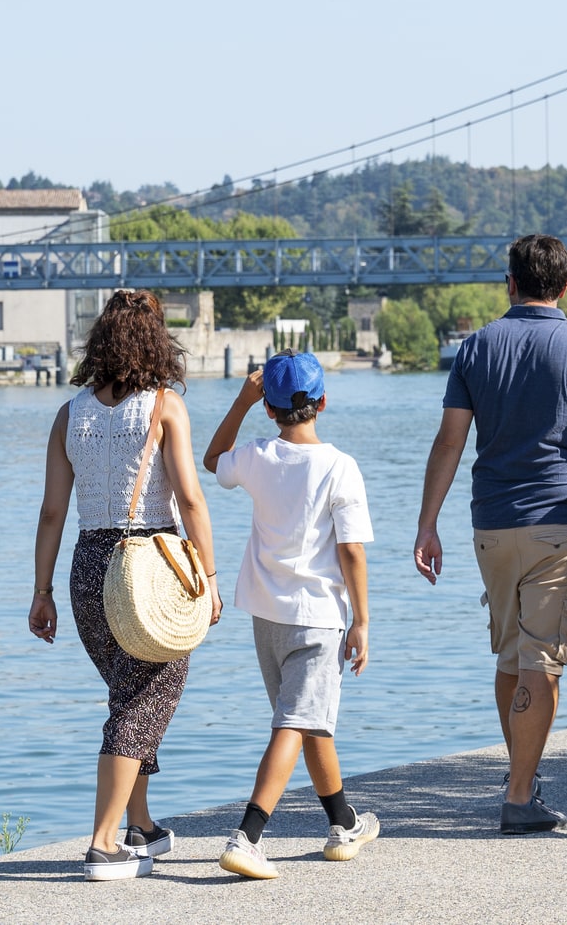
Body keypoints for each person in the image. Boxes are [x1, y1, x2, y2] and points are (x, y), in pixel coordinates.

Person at [413, 233, 567, 834]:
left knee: (510, 657)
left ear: (511, 283)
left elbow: (450, 441)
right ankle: (519, 797)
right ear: (566, 288)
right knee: (541, 662)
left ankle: (520, 775)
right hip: (559, 525)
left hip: (491, 526)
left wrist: (426, 524)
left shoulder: (476, 348)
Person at [28, 289, 223, 881]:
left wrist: (42, 592)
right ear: (155, 341)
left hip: (89, 567)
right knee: (145, 696)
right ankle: (104, 842)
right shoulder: (165, 406)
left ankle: (140, 824)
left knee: (129, 691)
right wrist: (209, 577)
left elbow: (51, 513)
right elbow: (189, 498)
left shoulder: (69, 413)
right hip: (151, 567)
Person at [201, 354, 380, 880]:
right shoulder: (339, 466)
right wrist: (363, 620)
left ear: (269, 409)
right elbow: (351, 551)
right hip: (318, 617)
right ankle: (247, 837)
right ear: (323, 401)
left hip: (266, 615)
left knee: (307, 717)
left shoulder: (256, 454)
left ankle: (342, 822)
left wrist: (240, 401)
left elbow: (213, 459)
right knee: (296, 720)